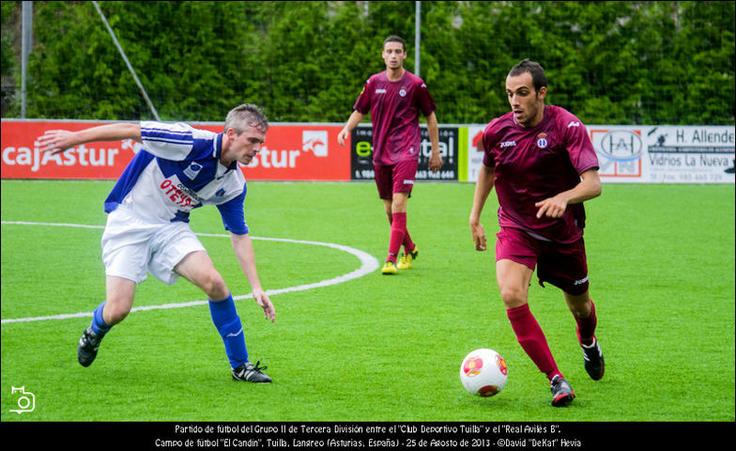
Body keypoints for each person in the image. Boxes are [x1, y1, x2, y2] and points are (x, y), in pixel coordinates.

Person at [37, 104, 276, 383]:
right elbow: (129, 129)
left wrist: (256, 287)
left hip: (171, 228)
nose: (258, 149)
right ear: (231, 134)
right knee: (118, 310)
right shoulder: (187, 141)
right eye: (253, 140)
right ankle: (94, 330)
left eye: (261, 143)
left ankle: (240, 366)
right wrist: (73, 139)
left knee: (215, 284)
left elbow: (239, 234)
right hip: (129, 220)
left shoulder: (233, 184)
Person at [469, 59, 604, 407]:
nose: (515, 101)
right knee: (512, 293)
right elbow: (487, 170)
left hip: (563, 233)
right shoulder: (497, 131)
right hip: (517, 226)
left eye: (523, 93)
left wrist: (564, 197)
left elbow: (593, 184)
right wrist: (475, 216)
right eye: (510, 94)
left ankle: (588, 342)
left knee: (581, 308)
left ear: (541, 93)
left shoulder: (567, 126)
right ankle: (556, 379)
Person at [338, 35, 443, 275]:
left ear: (405, 55)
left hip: (407, 150)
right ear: (383, 55)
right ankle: (410, 247)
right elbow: (360, 110)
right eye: (389, 51)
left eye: (398, 51)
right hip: (381, 151)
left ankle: (390, 259)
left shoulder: (416, 85)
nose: (394, 55)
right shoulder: (374, 82)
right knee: (389, 210)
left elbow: (430, 116)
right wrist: (346, 128)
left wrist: (435, 150)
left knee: (398, 203)